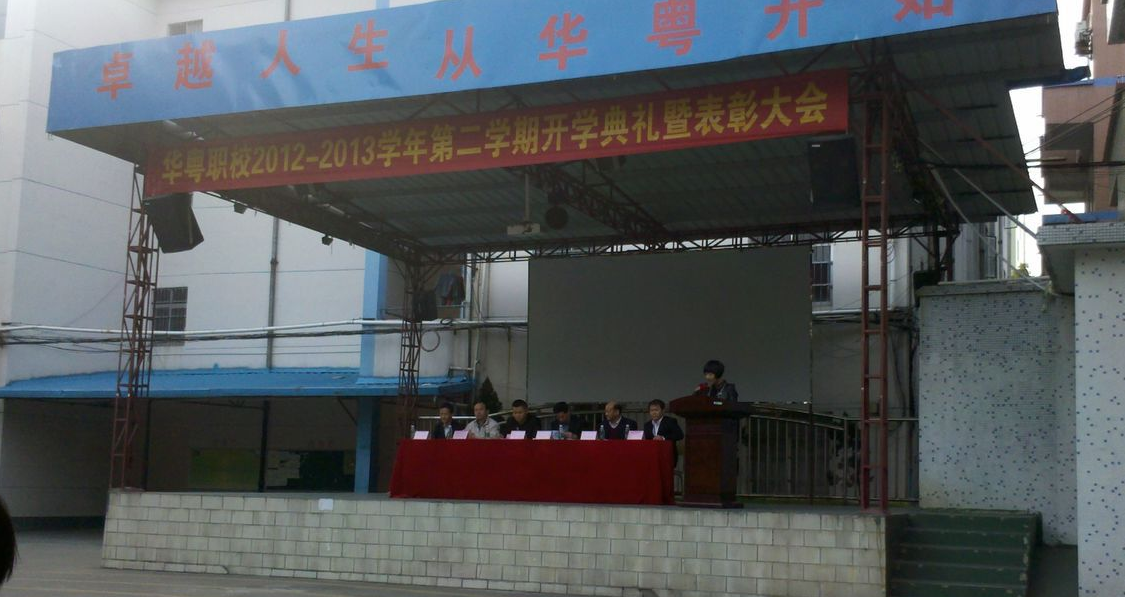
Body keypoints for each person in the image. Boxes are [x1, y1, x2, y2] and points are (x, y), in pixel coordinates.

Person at [643, 399, 684, 463]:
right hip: (652, 456)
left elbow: (679, 435)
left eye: (656, 410)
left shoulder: (670, 421)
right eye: (651, 410)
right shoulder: (647, 425)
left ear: (663, 411)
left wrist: (663, 438)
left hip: (667, 456)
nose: (654, 413)